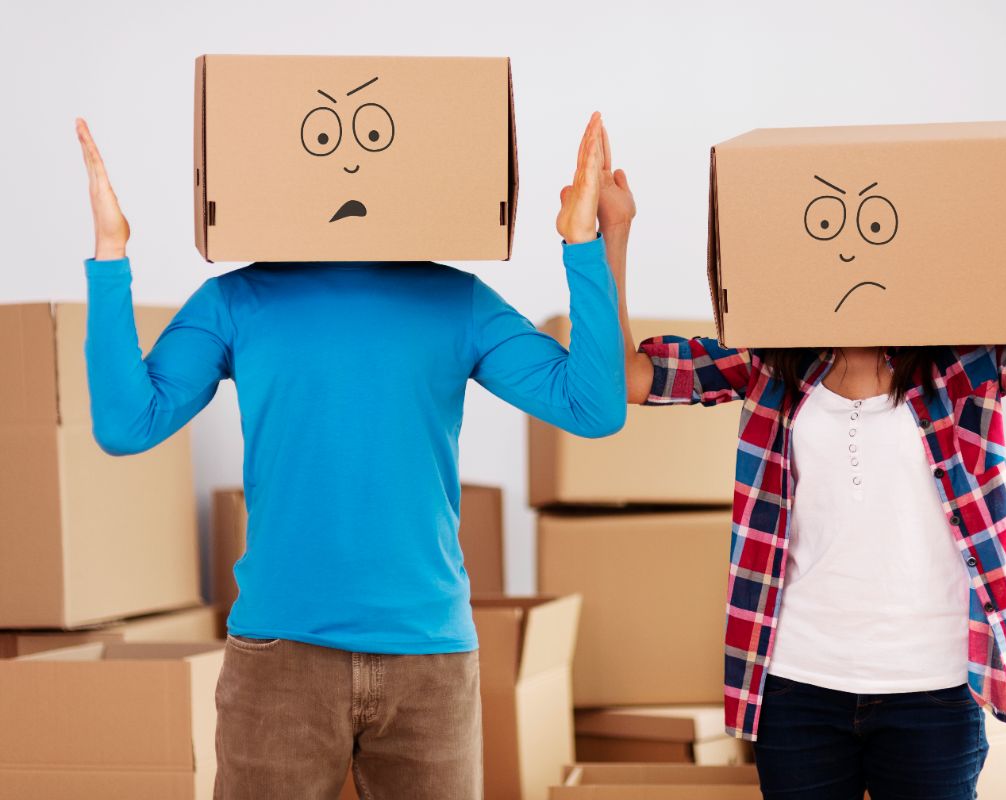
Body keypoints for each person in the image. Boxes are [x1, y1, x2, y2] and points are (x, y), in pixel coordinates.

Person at [598, 85, 1006, 799]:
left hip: (932, 691)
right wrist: (613, 239)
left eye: (876, 228)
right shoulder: (766, 366)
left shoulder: (969, 362)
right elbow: (626, 376)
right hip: (798, 687)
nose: (850, 249)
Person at [75, 111, 626, 800]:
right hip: (281, 657)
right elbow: (128, 424)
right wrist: (110, 255)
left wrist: (583, 245)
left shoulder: (457, 300)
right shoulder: (238, 299)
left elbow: (593, 408)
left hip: (430, 661)